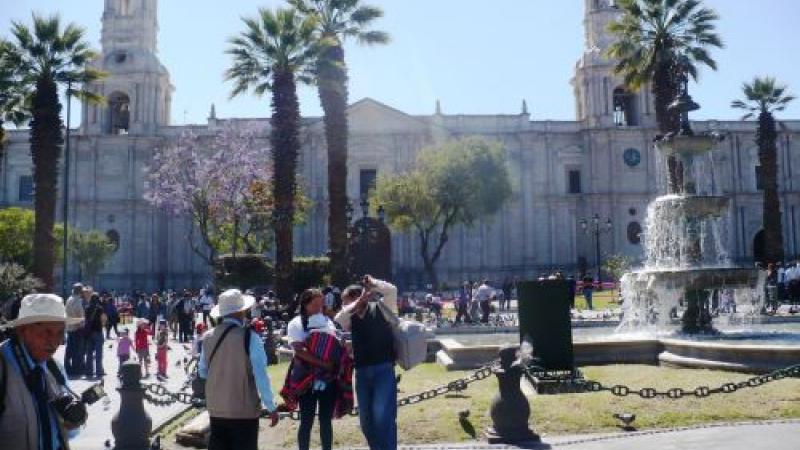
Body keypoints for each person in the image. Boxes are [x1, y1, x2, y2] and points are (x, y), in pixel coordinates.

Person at [0, 293, 86, 449]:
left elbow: (68, 433)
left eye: (60, 333)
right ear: (22, 330)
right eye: (46, 332)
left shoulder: (56, 368)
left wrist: (73, 422)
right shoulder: (3, 367)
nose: (54, 342)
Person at [199, 289, 279, 450]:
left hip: (216, 408)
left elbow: (202, 372)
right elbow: (261, 375)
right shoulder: (250, 337)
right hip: (244, 410)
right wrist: (270, 406)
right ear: (242, 311)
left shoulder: (207, 337)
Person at [335, 275, 398, 450]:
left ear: (358, 297)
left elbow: (392, 290)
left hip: (383, 369)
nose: (344, 306)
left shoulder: (382, 309)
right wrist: (357, 303)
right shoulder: (349, 317)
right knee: (366, 420)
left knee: (382, 415)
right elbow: (339, 318)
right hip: (362, 372)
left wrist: (374, 284)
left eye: (346, 302)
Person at [283, 289, 344, 450]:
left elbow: (333, 345)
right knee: (306, 421)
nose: (319, 307)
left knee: (325, 421)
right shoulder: (295, 323)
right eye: (314, 304)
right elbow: (299, 351)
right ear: (305, 304)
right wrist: (324, 364)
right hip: (306, 381)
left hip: (328, 380)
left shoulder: (327, 321)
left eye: (321, 304)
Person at [64, 283, 86, 378]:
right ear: (80, 291)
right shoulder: (78, 301)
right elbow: (81, 317)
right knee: (77, 350)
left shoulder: (69, 299)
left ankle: (67, 368)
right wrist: (83, 325)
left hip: (69, 327)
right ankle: (76, 369)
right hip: (77, 328)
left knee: (69, 349)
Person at [83, 293, 106, 379]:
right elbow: (103, 320)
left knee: (89, 353)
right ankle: (99, 371)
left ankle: (89, 371)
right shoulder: (100, 309)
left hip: (89, 333)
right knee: (98, 353)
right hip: (98, 332)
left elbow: (85, 320)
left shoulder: (87, 308)